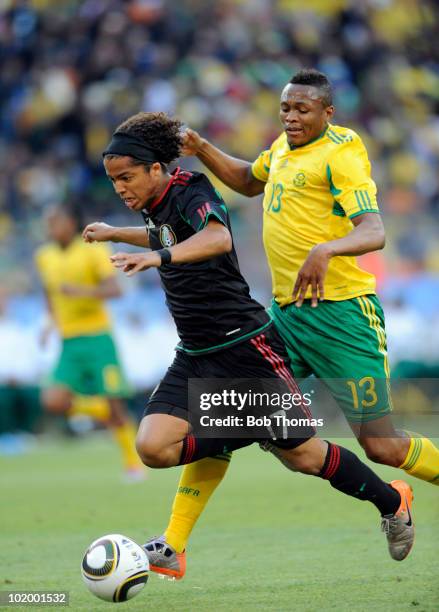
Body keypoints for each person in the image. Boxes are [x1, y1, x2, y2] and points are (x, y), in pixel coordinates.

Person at [83, 111, 414, 579]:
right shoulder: (153, 202)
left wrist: (155, 257)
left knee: (304, 456)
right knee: (153, 448)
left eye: (126, 177)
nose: (120, 188)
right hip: (195, 352)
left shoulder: (190, 189)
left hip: (245, 345)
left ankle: (391, 500)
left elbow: (217, 237)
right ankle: (241, 441)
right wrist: (118, 232)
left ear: (156, 168)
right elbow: (168, 233)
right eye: (114, 180)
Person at [34, 203, 144, 480]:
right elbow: (50, 294)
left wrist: (81, 291)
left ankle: (133, 464)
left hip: (97, 338)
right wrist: (48, 324)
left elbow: (115, 289)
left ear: (71, 222)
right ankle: (97, 409)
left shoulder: (93, 250)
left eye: (57, 221)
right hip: (69, 341)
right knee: (53, 401)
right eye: (49, 223)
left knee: (116, 406)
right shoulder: (44, 256)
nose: (52, 228)